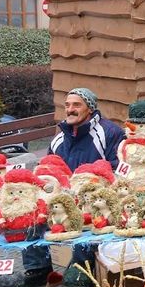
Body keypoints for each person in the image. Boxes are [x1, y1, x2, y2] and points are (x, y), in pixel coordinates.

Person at [47, 88, 126, 274]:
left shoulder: (109, 133)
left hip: (98, 197)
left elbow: (117, 169)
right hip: (66, 198)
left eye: (76, 105)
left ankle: (81, 270)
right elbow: (50, 169)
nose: (70, 110)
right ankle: (37, 270)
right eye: (67, 105)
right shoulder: (58, 140)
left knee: (89, 213)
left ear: (89, 108)